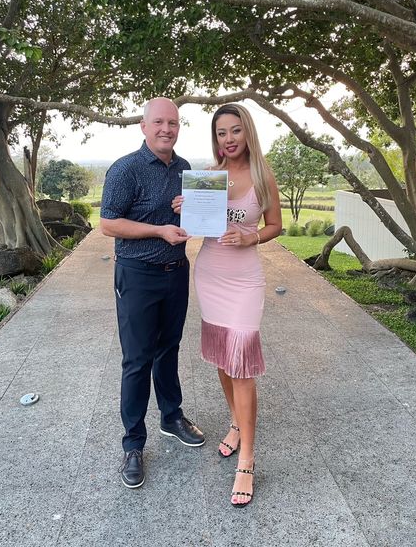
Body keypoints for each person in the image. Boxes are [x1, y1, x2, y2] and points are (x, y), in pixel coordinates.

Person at [174, 103, 282, 507]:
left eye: (235, 131)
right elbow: (197, 228)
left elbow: (275, 225)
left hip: (244, 280)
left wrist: (250, 237)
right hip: (211, 273)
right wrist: (186, 211)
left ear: (247, 132)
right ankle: (236, 423)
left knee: (242, 363)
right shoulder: (209, 176)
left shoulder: (261, 175)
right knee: (223, 359)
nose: (229, 139)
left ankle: (248, 461)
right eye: (221, 133)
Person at [100, 97, 205, 490]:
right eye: (158, 122)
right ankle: (133, 443)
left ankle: (171, 416)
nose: (166, 129)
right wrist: (159, 230)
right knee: (137, 359)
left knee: (170, 348)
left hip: (176, 272)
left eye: (173, 123)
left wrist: (185, 208)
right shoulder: (125, 169)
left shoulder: (185, 169)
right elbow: (109, 224)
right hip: (138, 275)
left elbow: (191, 215)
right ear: (144, 127)